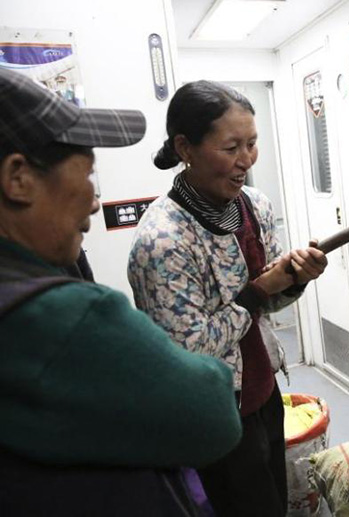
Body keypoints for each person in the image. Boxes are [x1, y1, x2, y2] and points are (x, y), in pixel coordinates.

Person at [0, 69, 242, 515]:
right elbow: (212, 415)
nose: (95, 201)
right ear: (18, 178)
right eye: (89, 174)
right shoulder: (57, 315)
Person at [128, 80, 328, 516]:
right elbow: (188, 348)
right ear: (186, 147)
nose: (246, 160)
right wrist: (260, 289)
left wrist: (295, 279)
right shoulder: (162, 240)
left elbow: (267, 306)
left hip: (263, 391)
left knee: (274, 502)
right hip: (213, 412)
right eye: (231, 147)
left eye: (252, 144)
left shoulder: (254, 205)